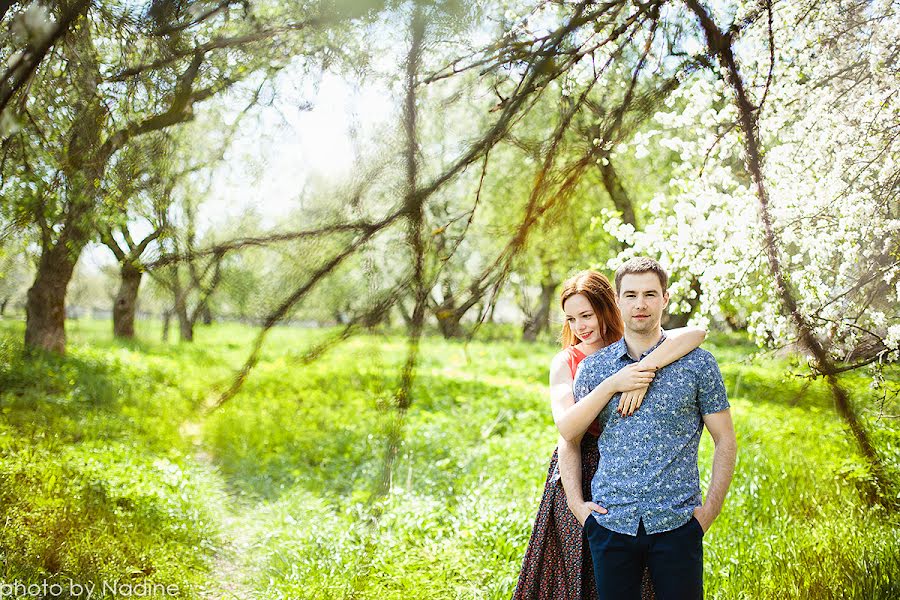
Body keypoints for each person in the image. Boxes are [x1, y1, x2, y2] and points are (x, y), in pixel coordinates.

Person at [513, 270, 707, 600]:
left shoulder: (634, 347)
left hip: (634, 478)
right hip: (581, 474)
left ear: (609, 307)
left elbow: (697, 333)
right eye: (571, 319)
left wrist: (645, 368)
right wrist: (613, 384)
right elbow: (568, 430)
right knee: (579, 572)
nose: (580, 327)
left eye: (586, 315)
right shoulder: (568, 361)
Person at [573, 257, 737, 600]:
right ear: (617, 301)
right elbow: (570, 440)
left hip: (678, 523)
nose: (640, 304)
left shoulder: (698, 364)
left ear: (665, 298)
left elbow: (725, 440)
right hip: (610, 521)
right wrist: (578, 507)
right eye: (630, 295)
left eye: (650, 294)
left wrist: (707, 514)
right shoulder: (594, 369)